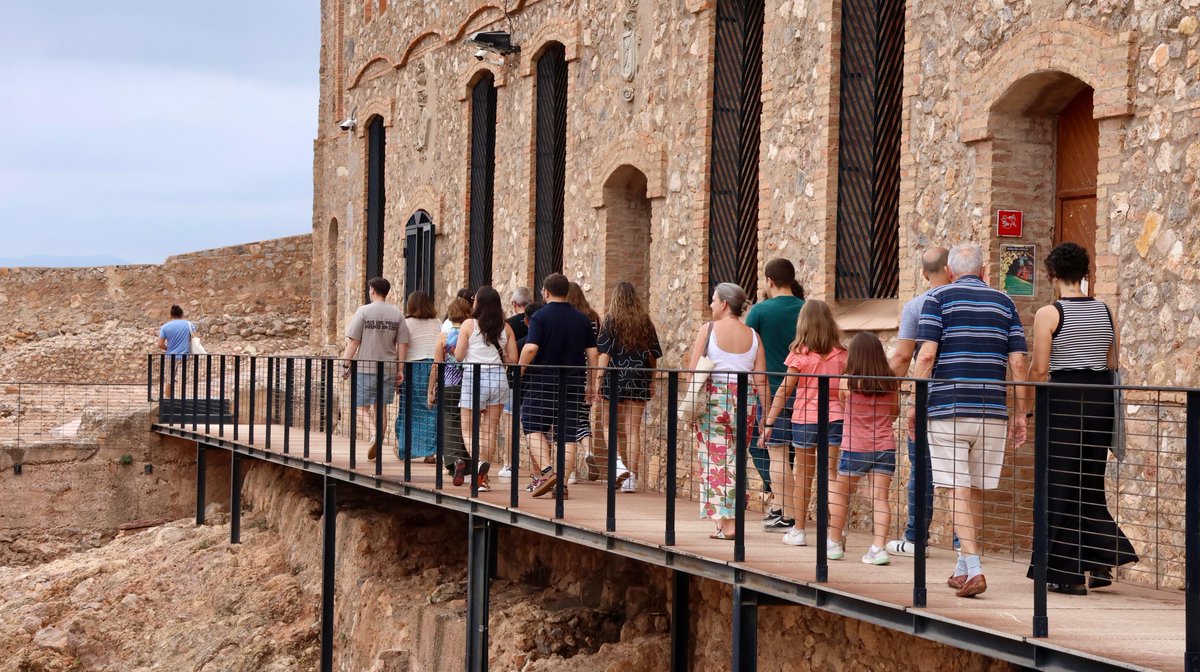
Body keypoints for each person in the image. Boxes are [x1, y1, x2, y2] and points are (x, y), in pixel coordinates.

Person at [912, 242, 1029, 598]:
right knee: (974, 487)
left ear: (949, 271)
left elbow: (927, 355)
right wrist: (1021, 412)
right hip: (992, 410)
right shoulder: (1005, 302)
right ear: (984, 272)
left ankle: (975, 569)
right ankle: (963, 566)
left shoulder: (937, 300)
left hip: (949, 408)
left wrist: (917, 404)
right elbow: (1019, 362)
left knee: (959, 489)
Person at [1024, 242, 1137, 594]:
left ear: (1051, 274)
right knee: (1089, 484)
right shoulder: (1105, 310)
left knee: (1058, 485)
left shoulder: (1049, 313)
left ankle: (1066, 574)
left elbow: (1041, 367)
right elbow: (1113, 362)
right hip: (1100, 400)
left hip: (1064, 402)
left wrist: (1027, 405)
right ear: (1086, 274)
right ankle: (1099, 561)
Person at [885, 247, 955, 556]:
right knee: (961, 473)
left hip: (930, 398)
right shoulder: (970, 301)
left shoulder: (917, 306)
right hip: (969, 399)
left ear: (924, 273)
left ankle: (915, 538)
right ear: (950, 269)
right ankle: (962, 544)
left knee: (922, 470)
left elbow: (903, 356)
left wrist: (882, 386)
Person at [687, 283, 769, 540]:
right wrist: (766, 417)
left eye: (713, 300)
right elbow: (762, 380)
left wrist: (690, 408)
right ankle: (725, 521)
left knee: (715, 462)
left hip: (714, 400)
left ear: (724, 303)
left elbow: (693, 372)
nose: (711, 305)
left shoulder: (708, 330)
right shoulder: (753, 335)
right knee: (734, 459)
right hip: (745, 401)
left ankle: (730, 524)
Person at [762, 300, 846, 548]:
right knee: (831, 476)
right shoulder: (842, 355)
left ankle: (799, 531)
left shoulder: (799, 355)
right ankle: (834, 537)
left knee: (804, 476)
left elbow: (784, 391)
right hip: (834, 418)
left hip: (805, 419)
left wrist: (769, 421)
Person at [518, 273, 598, 499]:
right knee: (568, 434)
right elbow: (592, 354)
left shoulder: (540, 317)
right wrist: (591, 384)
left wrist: (518, 370)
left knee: (531, 425)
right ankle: (561, 485)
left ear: (545, 292)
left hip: (544, 381)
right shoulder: (582, 319)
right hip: (573, 382)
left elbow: (531, 348)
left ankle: (547, 471)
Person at [827, 332, 900, 565]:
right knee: (880, 498)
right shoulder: (891, 381)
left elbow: (840, 403)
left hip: (854, 446)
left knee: (841, 494)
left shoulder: (848, 381)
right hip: (884, 446)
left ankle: (834, 543)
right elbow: (894, 412)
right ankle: (878, 548)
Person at [745, 258, 805, 532]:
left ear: (769, 280)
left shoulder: (760, 311)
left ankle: (788, 514)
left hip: (771, 390)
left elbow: (748, 348)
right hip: (806, 388)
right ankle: (783, 507)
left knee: (777, 451)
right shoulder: (807, 309)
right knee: (800, 454)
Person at [595, 282, 662, 493]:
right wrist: (651, 379)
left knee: (608, 425)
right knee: (632, 430)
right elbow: (653, 355)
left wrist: (598, 380)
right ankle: (631, 478)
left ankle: (618, 466)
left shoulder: (610, 321)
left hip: (614, 378)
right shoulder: (645, 322)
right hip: (638, 378)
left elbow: (604, 353)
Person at [454, 287, 517, 492]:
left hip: (474, 378)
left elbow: (459, 355)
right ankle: (483, 480)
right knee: (490, 430)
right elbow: (514, 359)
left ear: (477, 303)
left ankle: (479, 463)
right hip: (498, 379)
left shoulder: (468, 325)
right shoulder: (505, 327)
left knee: (468, 428)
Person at [342, 277, 410, 461]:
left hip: (366, 366)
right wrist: (400, 369)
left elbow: (354, 341)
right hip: (388, 368)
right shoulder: (397, 314)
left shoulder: (363, 311)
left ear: (372, 290)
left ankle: (374, 435)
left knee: (359, 406)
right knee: (380, 408)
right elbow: (403, 344)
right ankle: (377, 441)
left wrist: (346, 364)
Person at [428, 298, 472, 484]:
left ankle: (454, 461)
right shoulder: (470, 334)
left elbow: (437, 366)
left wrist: (430, 389)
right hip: (468, 383)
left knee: (449, 423)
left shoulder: (443, 336)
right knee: (467, 424)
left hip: (449, 385)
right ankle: (469, 463)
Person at [397, 291, 441, 463]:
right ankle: (431, 452)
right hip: (435, 367)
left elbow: (402, 347)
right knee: (432, 409)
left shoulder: (406, 323)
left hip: (414, 367)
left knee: (411, 409)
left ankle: (408, 449)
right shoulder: (437, 322)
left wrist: (398, 369)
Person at [566, 282, 602, 485]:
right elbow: (595, 351)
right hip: (586, 375)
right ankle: (588, 450)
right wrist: (593, 381)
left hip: (568, 374)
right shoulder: (593, 318)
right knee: (582, 419)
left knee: (563, 423)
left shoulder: (570, 319)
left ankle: (569, 473)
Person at [158, 304, 196, 395]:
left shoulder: (165, 327)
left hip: (171, 356)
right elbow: (195, 339)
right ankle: (182, 401)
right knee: (183, 380)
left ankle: (168, 400)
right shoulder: (189, 325)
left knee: (169, 380)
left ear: (171, 315)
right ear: (182, 314)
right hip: (185, 356)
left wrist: (168, 349)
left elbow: (160, 344)